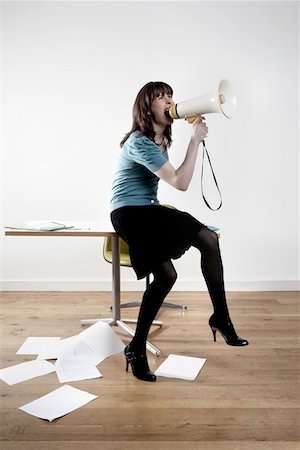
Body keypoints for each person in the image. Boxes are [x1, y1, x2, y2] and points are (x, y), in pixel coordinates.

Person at [110, 81, 248, 382]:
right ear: (147, 108)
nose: (168, 100)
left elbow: (167, 184)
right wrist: (195, 141)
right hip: (129, 214)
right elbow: (180, 182)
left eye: (170, 95)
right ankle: (218, 319)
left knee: (177, 267)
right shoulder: (139, 142)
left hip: (148, 210)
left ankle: (139, 346)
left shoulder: (159, 141)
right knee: (191, 252)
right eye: (160, 97)